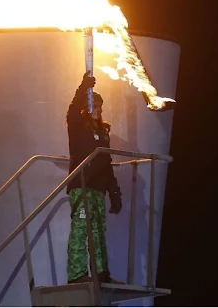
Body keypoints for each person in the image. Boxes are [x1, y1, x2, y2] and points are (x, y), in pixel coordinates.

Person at [66, 71, 123, 284]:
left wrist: (114, 193)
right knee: (81, 228)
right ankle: (77, 275)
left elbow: (106, 164)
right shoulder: (78, 128)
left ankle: (101, 274)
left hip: (98, 189)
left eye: (100, 106)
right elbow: (72, 111)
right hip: (81, 186)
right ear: (87, 108)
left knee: (98, 231)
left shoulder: (103, 135)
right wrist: (83, 87)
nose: (98, 110)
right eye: (94, 106)